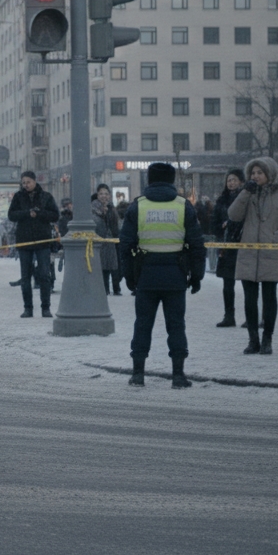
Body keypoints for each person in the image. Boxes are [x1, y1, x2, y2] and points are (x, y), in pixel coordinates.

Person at [118, 162, 207, 388]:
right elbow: (197, 244)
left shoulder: (137, 206)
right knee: (176, 325)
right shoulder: (183, 206)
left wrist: (129, 277)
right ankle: (178, 375)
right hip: (176, 275)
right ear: (172, 180)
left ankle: (138, 374)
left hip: (145, 274)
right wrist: (197, 276)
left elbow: (126, 244)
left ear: (149, 180)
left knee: (142, 324)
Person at [228, 157, 278, 355]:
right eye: (253, 173)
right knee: (249, 300)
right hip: (248, 254)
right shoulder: (247, 194)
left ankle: (267, 339)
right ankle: (253, 340)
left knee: (269, 298)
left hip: (270, 253)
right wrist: (244, 192)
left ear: (270, 174)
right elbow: (233, 215)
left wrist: (276, 238)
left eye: (260, 172)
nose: (256, 176)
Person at [7, 171, 60, 318]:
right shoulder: (18, 197)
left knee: (44, 274)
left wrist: (39, 213)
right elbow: (11, 215)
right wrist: (26, 213)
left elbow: (55, 215)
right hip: (24, 240)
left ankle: (45, 307)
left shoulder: (46, 196)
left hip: (42, 240)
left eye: (28, 182)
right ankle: (28, 308)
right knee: (25, 276)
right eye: (23, 183)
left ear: (35, 182)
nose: (26, 185)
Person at [212, 169, 245, 327]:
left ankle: (251, 315)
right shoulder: (222, 200)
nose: (231, 183)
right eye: (229, 180)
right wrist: (221, 227)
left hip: (244, 244)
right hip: (226, 245)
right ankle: (229, 315)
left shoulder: (246, 197)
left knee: (248, 283)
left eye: (234, 180)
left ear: (241, 182)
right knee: (227, 283)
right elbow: (214, 223)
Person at [92, 186, 120, 295]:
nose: (104, 196)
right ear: (97, 195)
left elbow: (115, 224)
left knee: (113, 266)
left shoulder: (111, 208)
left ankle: (116, 288)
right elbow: (96, 223)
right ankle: (104, 289)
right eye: (101, 194)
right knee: (102, 267)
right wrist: (102, 213)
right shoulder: (94, 208)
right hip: (100, 240)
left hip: (111, 240)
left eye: (106, 194)